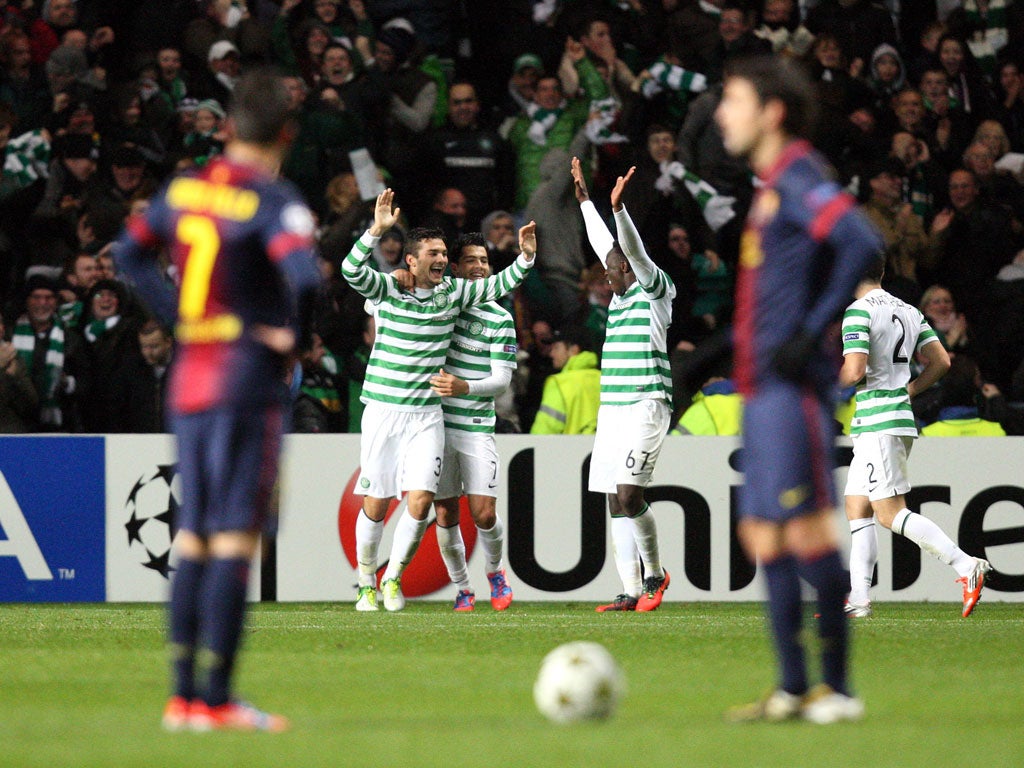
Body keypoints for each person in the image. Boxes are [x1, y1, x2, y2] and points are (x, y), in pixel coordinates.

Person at [115, 69, 322, 733]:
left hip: (189, 377)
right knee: (234, 535)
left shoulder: (183, 189)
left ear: (228, 127)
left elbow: (130, 253)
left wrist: (182, 318)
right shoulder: (273, 198)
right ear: (285, 133)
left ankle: (181, 698)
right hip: (245, 380)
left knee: (195, 533)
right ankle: (218, 697)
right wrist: (292, 336)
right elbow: (306, 278)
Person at [714, 56, 882, 724]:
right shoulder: (772, 184)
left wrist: (810, 331)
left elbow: (861, 240)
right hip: (761, 387)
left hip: (792, 389)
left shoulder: (802, 174)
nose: (722, 112)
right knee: (763, 534)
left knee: (806, 529)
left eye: (732, 99)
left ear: (771, 110)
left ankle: (837, 692)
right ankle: (791, 688)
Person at [340, 189, 536, 612]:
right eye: (432, 252)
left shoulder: (453, 293)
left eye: (444, 252)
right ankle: (364, 582)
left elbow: (496, 285)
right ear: (411, 261)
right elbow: (351, 270)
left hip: (427, 417)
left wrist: (525, 259)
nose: (441, 259)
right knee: (375, 503)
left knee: (422, 500)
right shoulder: (389, 290)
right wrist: (376, 231)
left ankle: (392, 579)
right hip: (384, 411)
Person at [840, 257, 993, 619]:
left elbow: (855, 370)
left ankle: (965, 564)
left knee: (890, 514)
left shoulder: (858, 311)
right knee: (856, 506)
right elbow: (941, 361)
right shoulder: (906, 309)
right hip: (889, 420)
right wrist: (909, 390)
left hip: (879, 423)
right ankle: (858, 600)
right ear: (881, 272)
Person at [571, 156, 674, 613]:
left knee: (631, 495)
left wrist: (618, 211)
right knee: (614, 499)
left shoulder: (655, 292)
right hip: (612, 410)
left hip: (646, 405)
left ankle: (655, 575)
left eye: (614, 268)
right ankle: (630, 591)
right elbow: (604, 246)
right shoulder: (617, 298)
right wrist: (586, 203)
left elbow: (630, 252)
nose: (606, 272)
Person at [428, 233, 517, 612]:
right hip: (435, 426)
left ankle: (496, 573)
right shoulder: (440, 306)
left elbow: (502, 381)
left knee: (484, 512)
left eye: (484, 260)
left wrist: (464, 386)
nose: (479, 266)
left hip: (477, 426)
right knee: (445, 512)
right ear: (455, 268)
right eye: (471, 260)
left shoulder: (500, 318)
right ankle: (463, 588)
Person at [528, 325, 600, 435]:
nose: (552, 354)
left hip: (572, 450)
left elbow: (545, 430)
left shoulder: (560, 383)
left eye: (556, 347)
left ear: (573, 350)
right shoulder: (605, 379)